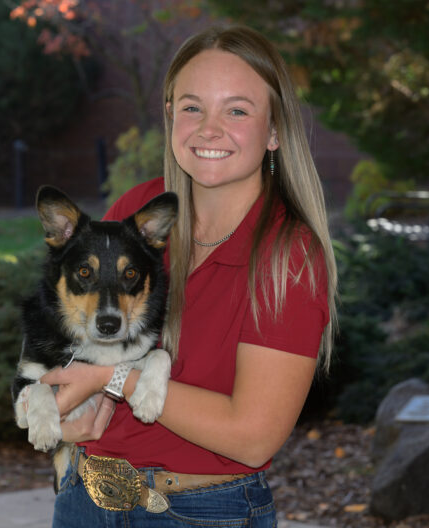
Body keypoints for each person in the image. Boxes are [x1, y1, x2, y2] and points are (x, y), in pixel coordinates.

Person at [40, 24, 338, 527]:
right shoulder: (139, 212)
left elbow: (253, 436)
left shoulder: (288, 257)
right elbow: (71, 334)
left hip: (199, 512)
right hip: (84, 498)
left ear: (274, 131)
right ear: (170, 116)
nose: (208, 128)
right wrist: (68, 401)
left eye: (237, 110)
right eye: (192, 107)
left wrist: (114, 378)